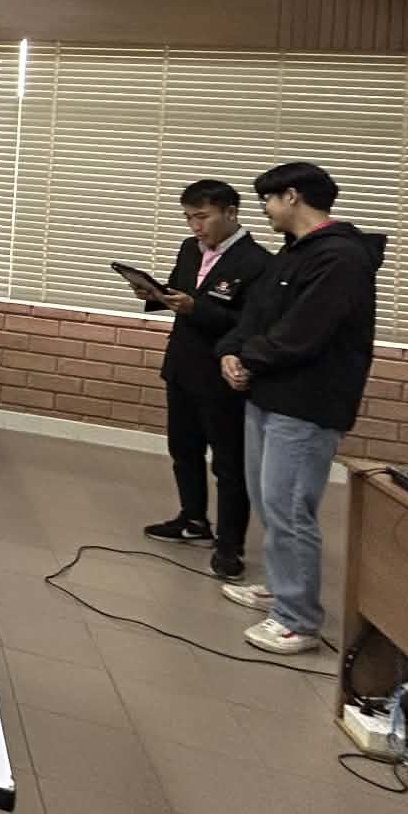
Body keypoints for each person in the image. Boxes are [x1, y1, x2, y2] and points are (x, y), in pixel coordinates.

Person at [216, 162, 384, 656]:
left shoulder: (341, 258)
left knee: (290, 507)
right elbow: (256, 315)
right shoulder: (293, 253)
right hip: (267, 393)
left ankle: (298, 619)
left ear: (292, 197)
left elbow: (305, 331)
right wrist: (230, 352)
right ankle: (280, 588)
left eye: (268, 200)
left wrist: (249, 358)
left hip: (307, 403)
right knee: (269, 500)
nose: (264, 210)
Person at [141, 180, 273, 580]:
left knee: (229, 465)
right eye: (188, 218)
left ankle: (230, 547)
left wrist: (195, 308)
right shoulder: (189, 249)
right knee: (183, 449)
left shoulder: (258, 263)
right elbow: (179, 293)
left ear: (230, 213)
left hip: (223, 376)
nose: (195, 226)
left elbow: (251, 324)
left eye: (202, 217)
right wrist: (153, 295)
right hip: (182, 366)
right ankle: (193, 518)